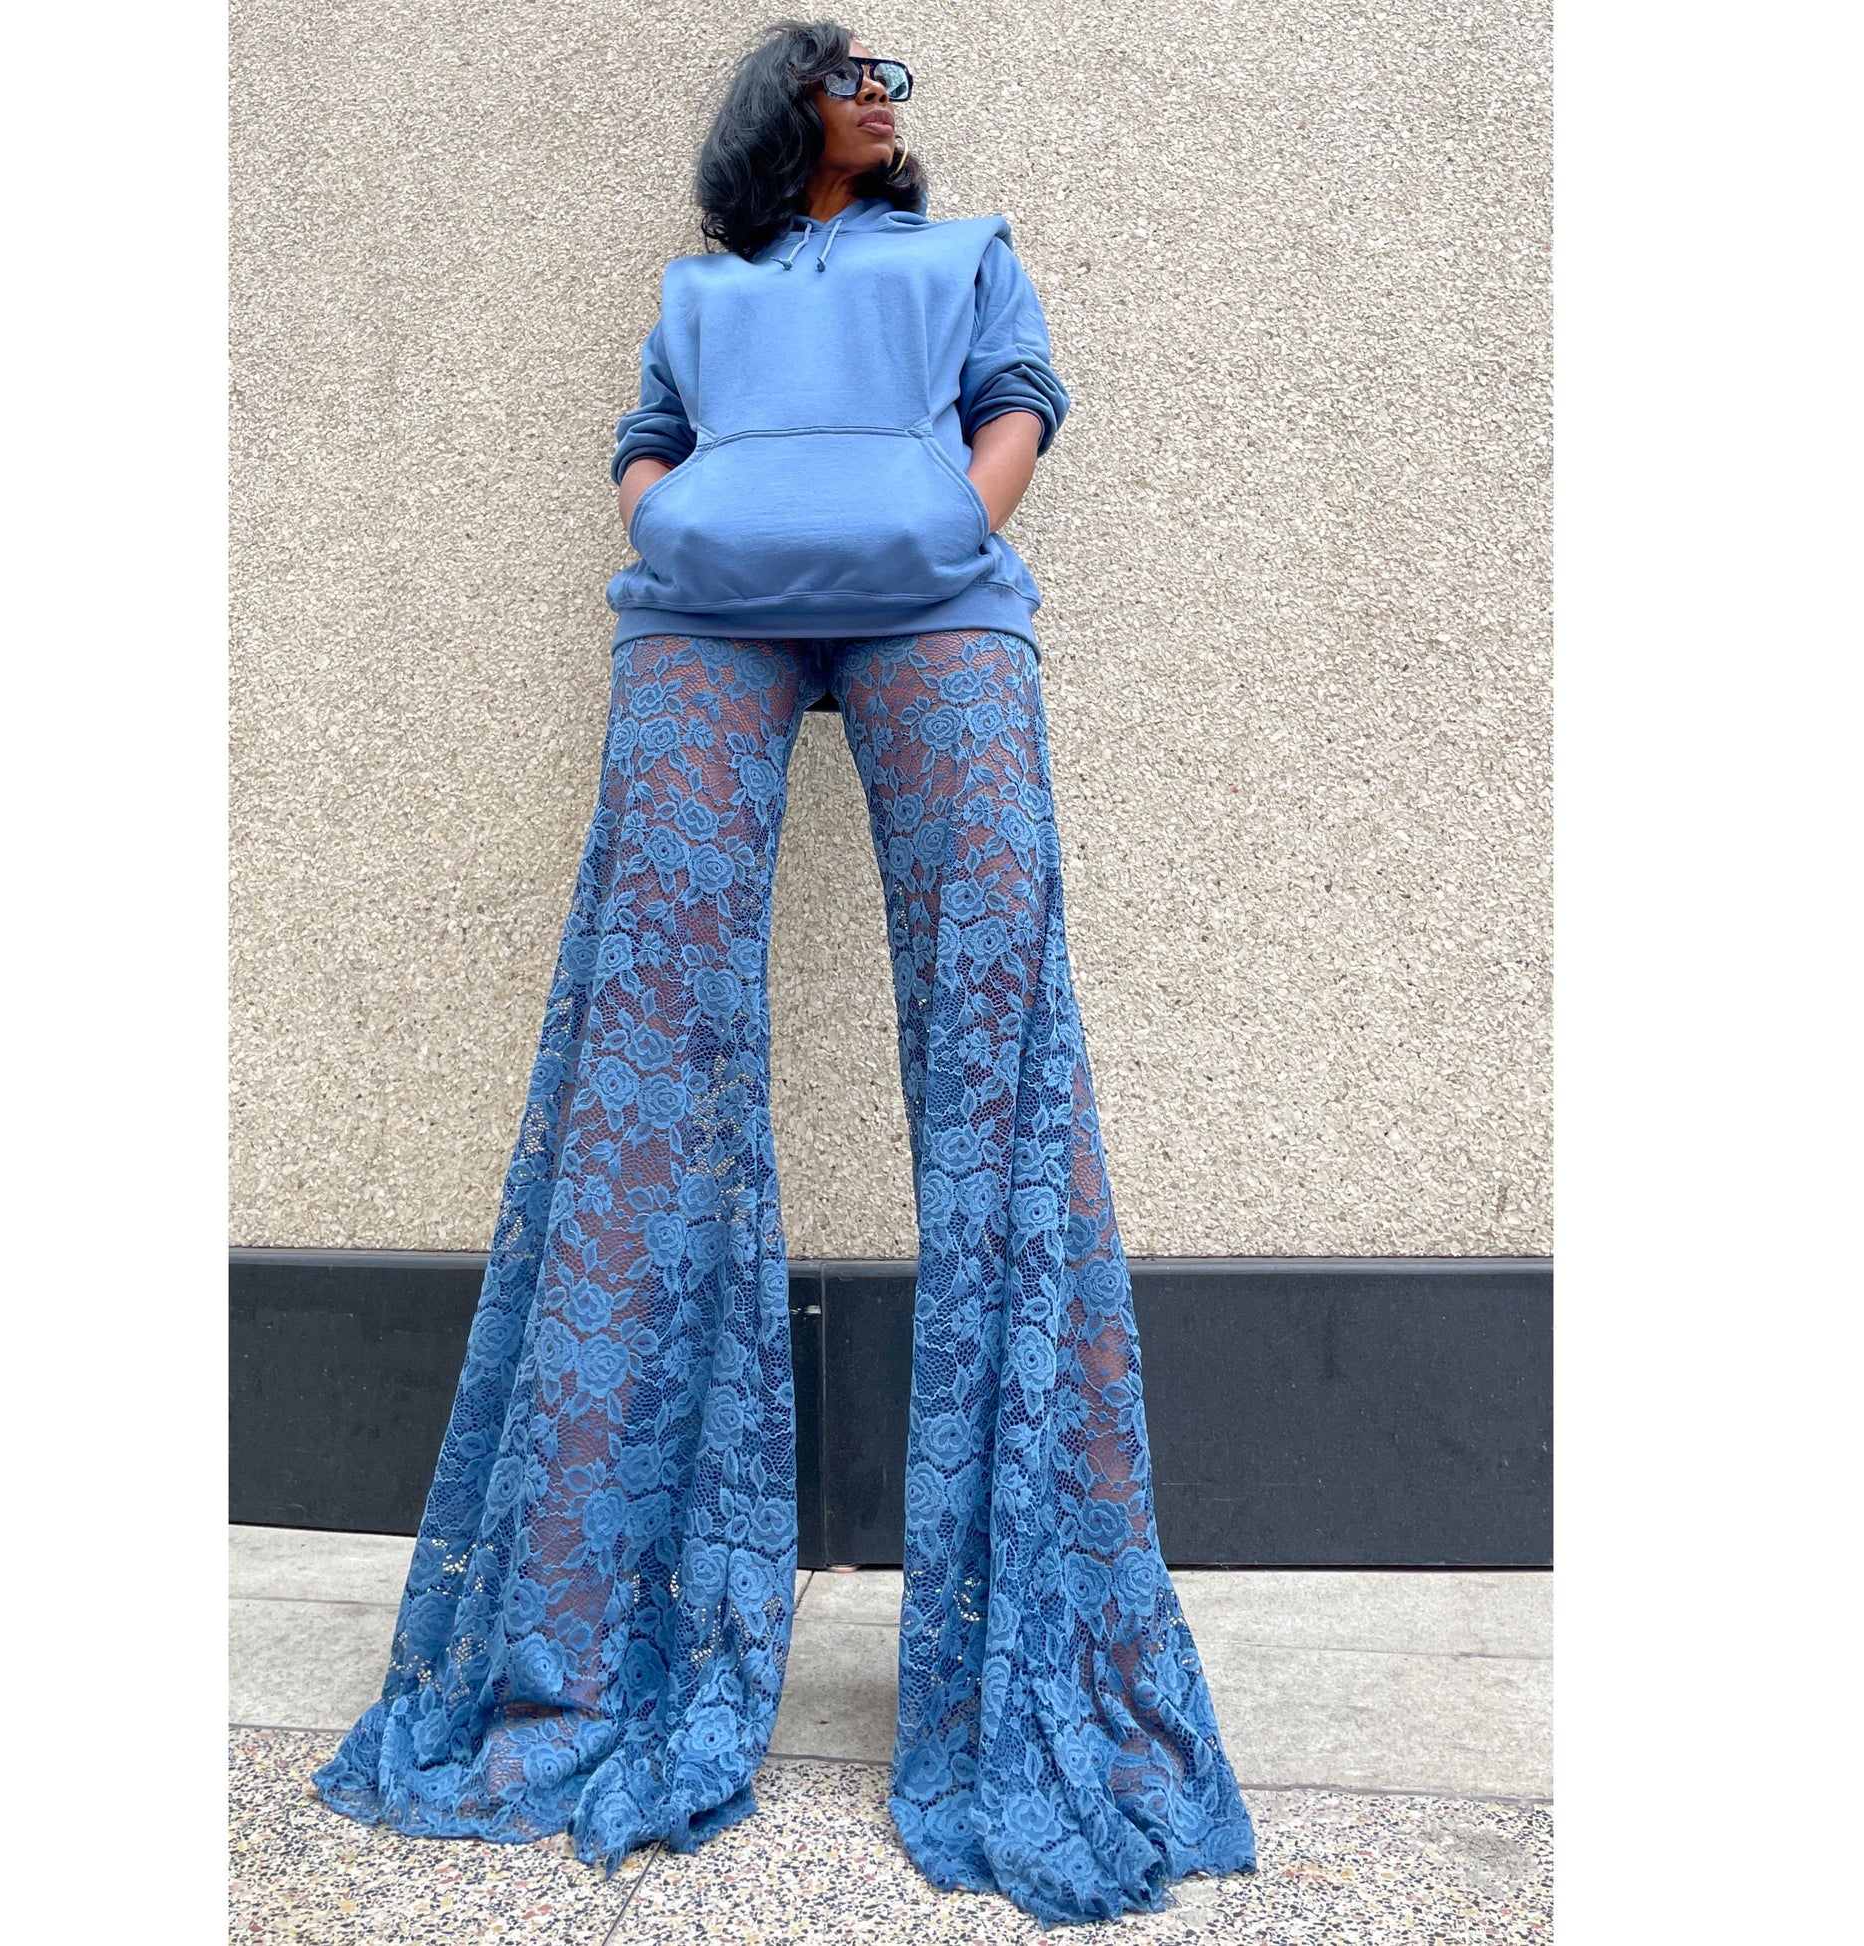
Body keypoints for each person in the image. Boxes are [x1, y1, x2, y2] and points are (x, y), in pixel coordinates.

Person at [312, 19, 1256, 1926]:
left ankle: (1035, 1668)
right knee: (644, 1057)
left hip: (941, 615)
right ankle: (584, 1647)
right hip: (700, 622)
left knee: (999, 1048)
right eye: (847, 65)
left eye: (892, 67)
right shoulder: (700, 289)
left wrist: (952, 518)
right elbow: (646, 438)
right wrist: (663, 514)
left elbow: (1022, 393)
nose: (883, 86)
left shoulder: (964, 251)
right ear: (781, 108)